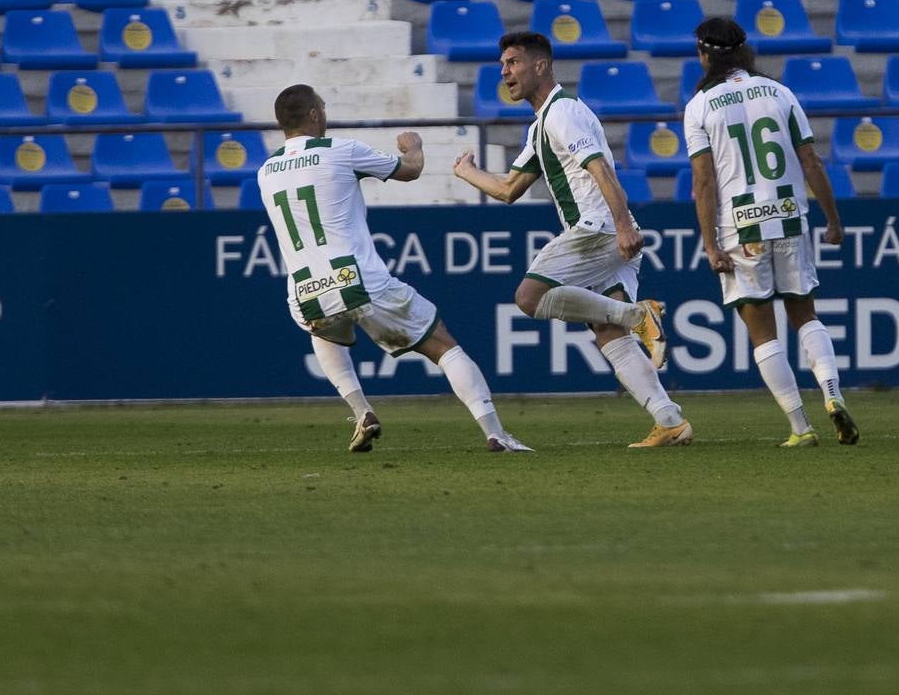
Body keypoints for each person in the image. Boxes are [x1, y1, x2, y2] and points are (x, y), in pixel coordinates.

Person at [256, 84, 532, 453]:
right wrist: (412, 145)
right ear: (314, 115)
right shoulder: (340, 150)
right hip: (357, 277)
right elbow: (411, 171)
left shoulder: (266, 170)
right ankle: (496, 433)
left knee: (322, 331)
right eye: (323, 108)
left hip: (304, 289)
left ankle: (361, 411)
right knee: (444, 346)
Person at [452, 31, 692, 449]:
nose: (504, 72)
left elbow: (601, 169)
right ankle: (669, 420)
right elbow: (510, 189)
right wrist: (466, 171)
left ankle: (639, 316)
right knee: (605, 329)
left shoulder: (563, 112)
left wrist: (622, 226)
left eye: (513, 63)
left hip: (597, 227)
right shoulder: (541, 124)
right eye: (503, 64)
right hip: (605, 229)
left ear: (540, 66)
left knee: (529, 297)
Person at [683, 16, 859, 447]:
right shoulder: (781, 93)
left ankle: (801, 428)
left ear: (705, 56)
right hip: (790, 217)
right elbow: (811, 162)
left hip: (741, 226)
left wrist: (710, 243)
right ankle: (832, 395)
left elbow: (703, 182)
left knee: (763, 332)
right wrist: (833, 219)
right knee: (806, 314)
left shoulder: (700, 106)